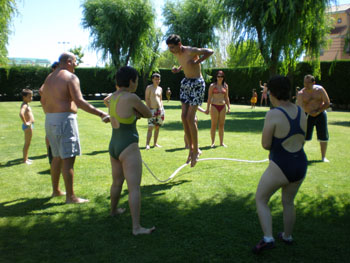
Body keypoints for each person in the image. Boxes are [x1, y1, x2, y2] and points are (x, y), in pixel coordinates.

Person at [40, 52, 109, 204]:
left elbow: (43, 98)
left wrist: (51, 114)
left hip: (49, 120)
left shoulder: (49, 77)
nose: (76, 65)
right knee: (68, 159)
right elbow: (79, 101)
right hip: (64, 120)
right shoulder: (71, 77)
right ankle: (70, 197)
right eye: (75, 62)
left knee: (56, 157)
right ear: (69, 62)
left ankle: (56, 190)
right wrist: (101, 113)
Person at [253, 75, 307, 254]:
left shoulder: (273, 114)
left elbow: (266, 144)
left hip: (281, 164)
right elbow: (302, 139)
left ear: (271, 93)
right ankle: (287, 236)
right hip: (300, 163)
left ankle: (268, 238)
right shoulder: (301, 111)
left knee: (261, 199)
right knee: (288, 202)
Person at [108, 66, 155, 235]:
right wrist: (137, 113)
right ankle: (136, 228)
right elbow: (148, 113)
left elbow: (112, 106)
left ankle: (113, 210)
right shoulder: (132, 97)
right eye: (136, 80)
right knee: (134, 187)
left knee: (116, 182)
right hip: (128, 146)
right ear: (131, 81)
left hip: (114, 144)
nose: (136, 83)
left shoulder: (112, 97)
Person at [166, 34, 213, 167]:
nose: (171, 50)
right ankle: (191, 149)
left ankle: (196, 150)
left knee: (190, 117)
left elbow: (210, 51)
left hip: (197, 83)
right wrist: (179, 69)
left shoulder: (190, 50)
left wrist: (197, 62)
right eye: (169, 48)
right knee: (183, 117)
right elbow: (186, 64)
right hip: (186, 83)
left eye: (173, 47)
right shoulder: (177, 53)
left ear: (180, 44)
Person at [297, 74, 330, 162]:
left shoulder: (320, 90)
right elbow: (299, 108)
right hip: (308, 115)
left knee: (323, 136)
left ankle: (323, 157)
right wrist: (308, 112)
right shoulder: (301, 94)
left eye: (308, 83)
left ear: (313, 82)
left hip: (321, 114)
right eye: (304, 83)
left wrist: (318, 111)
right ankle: (298, 155)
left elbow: (327, 102)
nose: (306, 85)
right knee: (304, 136)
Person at [39, 61, 59, 165]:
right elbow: (41, 90)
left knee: (50, 132)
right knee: (50, 134)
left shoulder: (55, 77)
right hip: (53, 110)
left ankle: (51, 153)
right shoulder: (52, 77)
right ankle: (50, 152)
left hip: (52, 109)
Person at [205, 71, 230, 148]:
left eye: (221, 76)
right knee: (213, 125)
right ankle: (212, 142)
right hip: (214, 106)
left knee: (221, 125)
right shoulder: (212, 86)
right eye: (218, 76)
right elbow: (209, 97)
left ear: (223, 77)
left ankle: (221, 142)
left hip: (222, 106)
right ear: (216, 77)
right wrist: (207, 108)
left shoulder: (225, 86)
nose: (220, 78)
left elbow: (226, 97)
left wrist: (229, 107)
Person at [145, 73, 165, 150]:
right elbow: (147, 98)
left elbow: (160, 99)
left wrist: (162, 108)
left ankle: (155, 143)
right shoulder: (149, 88)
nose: (157, 81)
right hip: (152, 110)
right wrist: (149, 108)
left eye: (158, 79)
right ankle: (147, 144)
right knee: (150, 127)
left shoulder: (160, 89)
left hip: (159, 110)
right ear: (153, 79)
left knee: (157, 127)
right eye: (156, 79)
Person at [19, 89, 35, 164]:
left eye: (32, 97)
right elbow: (21, 114)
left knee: (28, 143)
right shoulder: (24, 105)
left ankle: (26, 158)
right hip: (28, 127)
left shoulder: (26, 104)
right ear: (24, 97)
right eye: (29, 97)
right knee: (27, 143)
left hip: (30, 126)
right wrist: (26, 123)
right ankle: (25, 160)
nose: (31, 98)